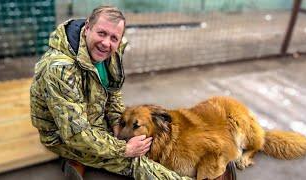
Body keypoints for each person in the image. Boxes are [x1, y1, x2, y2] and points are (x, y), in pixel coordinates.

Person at [30, 5, 235, 180]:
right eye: (101, 33)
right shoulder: (60, 69)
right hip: (63, 134)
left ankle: (81, 160)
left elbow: (113, 94)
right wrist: (123, 149)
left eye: (113, 37)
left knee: (135, 138)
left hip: (91, 119)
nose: (106, 43)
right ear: (87, 28)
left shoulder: (107, 53)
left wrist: (118, 123)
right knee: (133, 162)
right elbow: (75, 134)